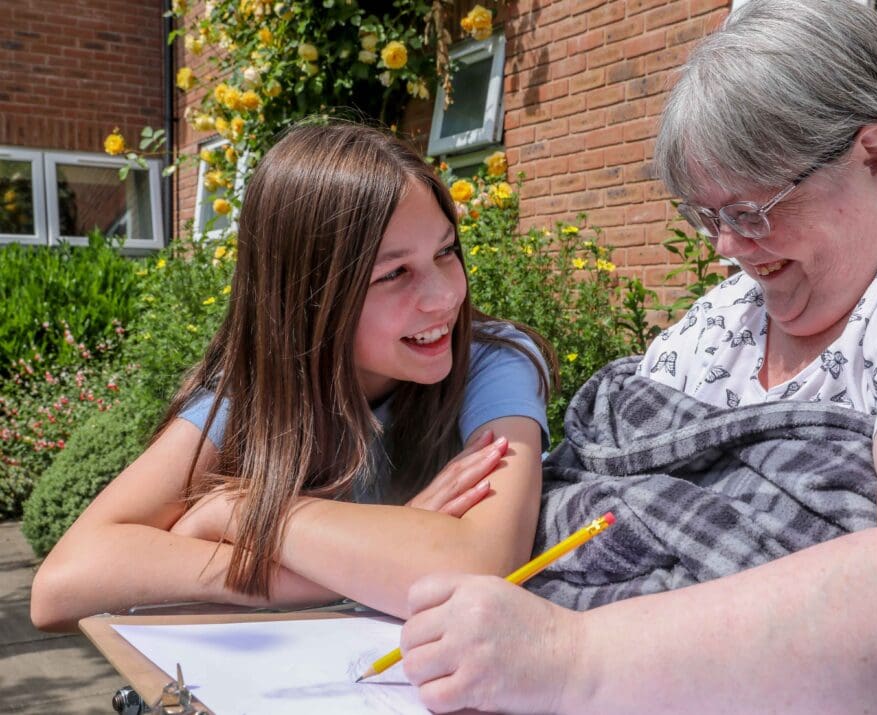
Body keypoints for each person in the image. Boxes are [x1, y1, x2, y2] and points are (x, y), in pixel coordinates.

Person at [397, 0, 877, 712]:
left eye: (752, 212)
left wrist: (573, 656)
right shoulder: (725, 318)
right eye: (707, 216)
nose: (726, 248)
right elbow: (593, 481)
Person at [30, 121, 556, 632]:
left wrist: (241, 512)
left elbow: (480, 564)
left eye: (445, 251)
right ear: (307, 298)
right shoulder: (252, 399)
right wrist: (363, 562)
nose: (443, 297)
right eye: (394, 273)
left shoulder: (492, 363)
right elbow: (60, 588)